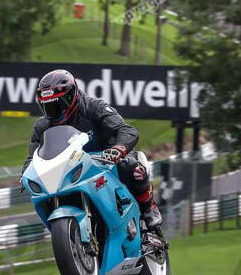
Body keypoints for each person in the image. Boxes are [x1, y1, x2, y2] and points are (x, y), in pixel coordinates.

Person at [21, 68, 162, 228]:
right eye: (50, 106)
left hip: (107, 159)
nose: (56, 110)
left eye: (60, 104)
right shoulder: (42, 126)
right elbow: (33, 158)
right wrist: (27, 173)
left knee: (131, 166)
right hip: (72, 168)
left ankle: (149, 206)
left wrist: (117, 150)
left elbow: (126, 130)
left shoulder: (94, 107)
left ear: (72, 93)